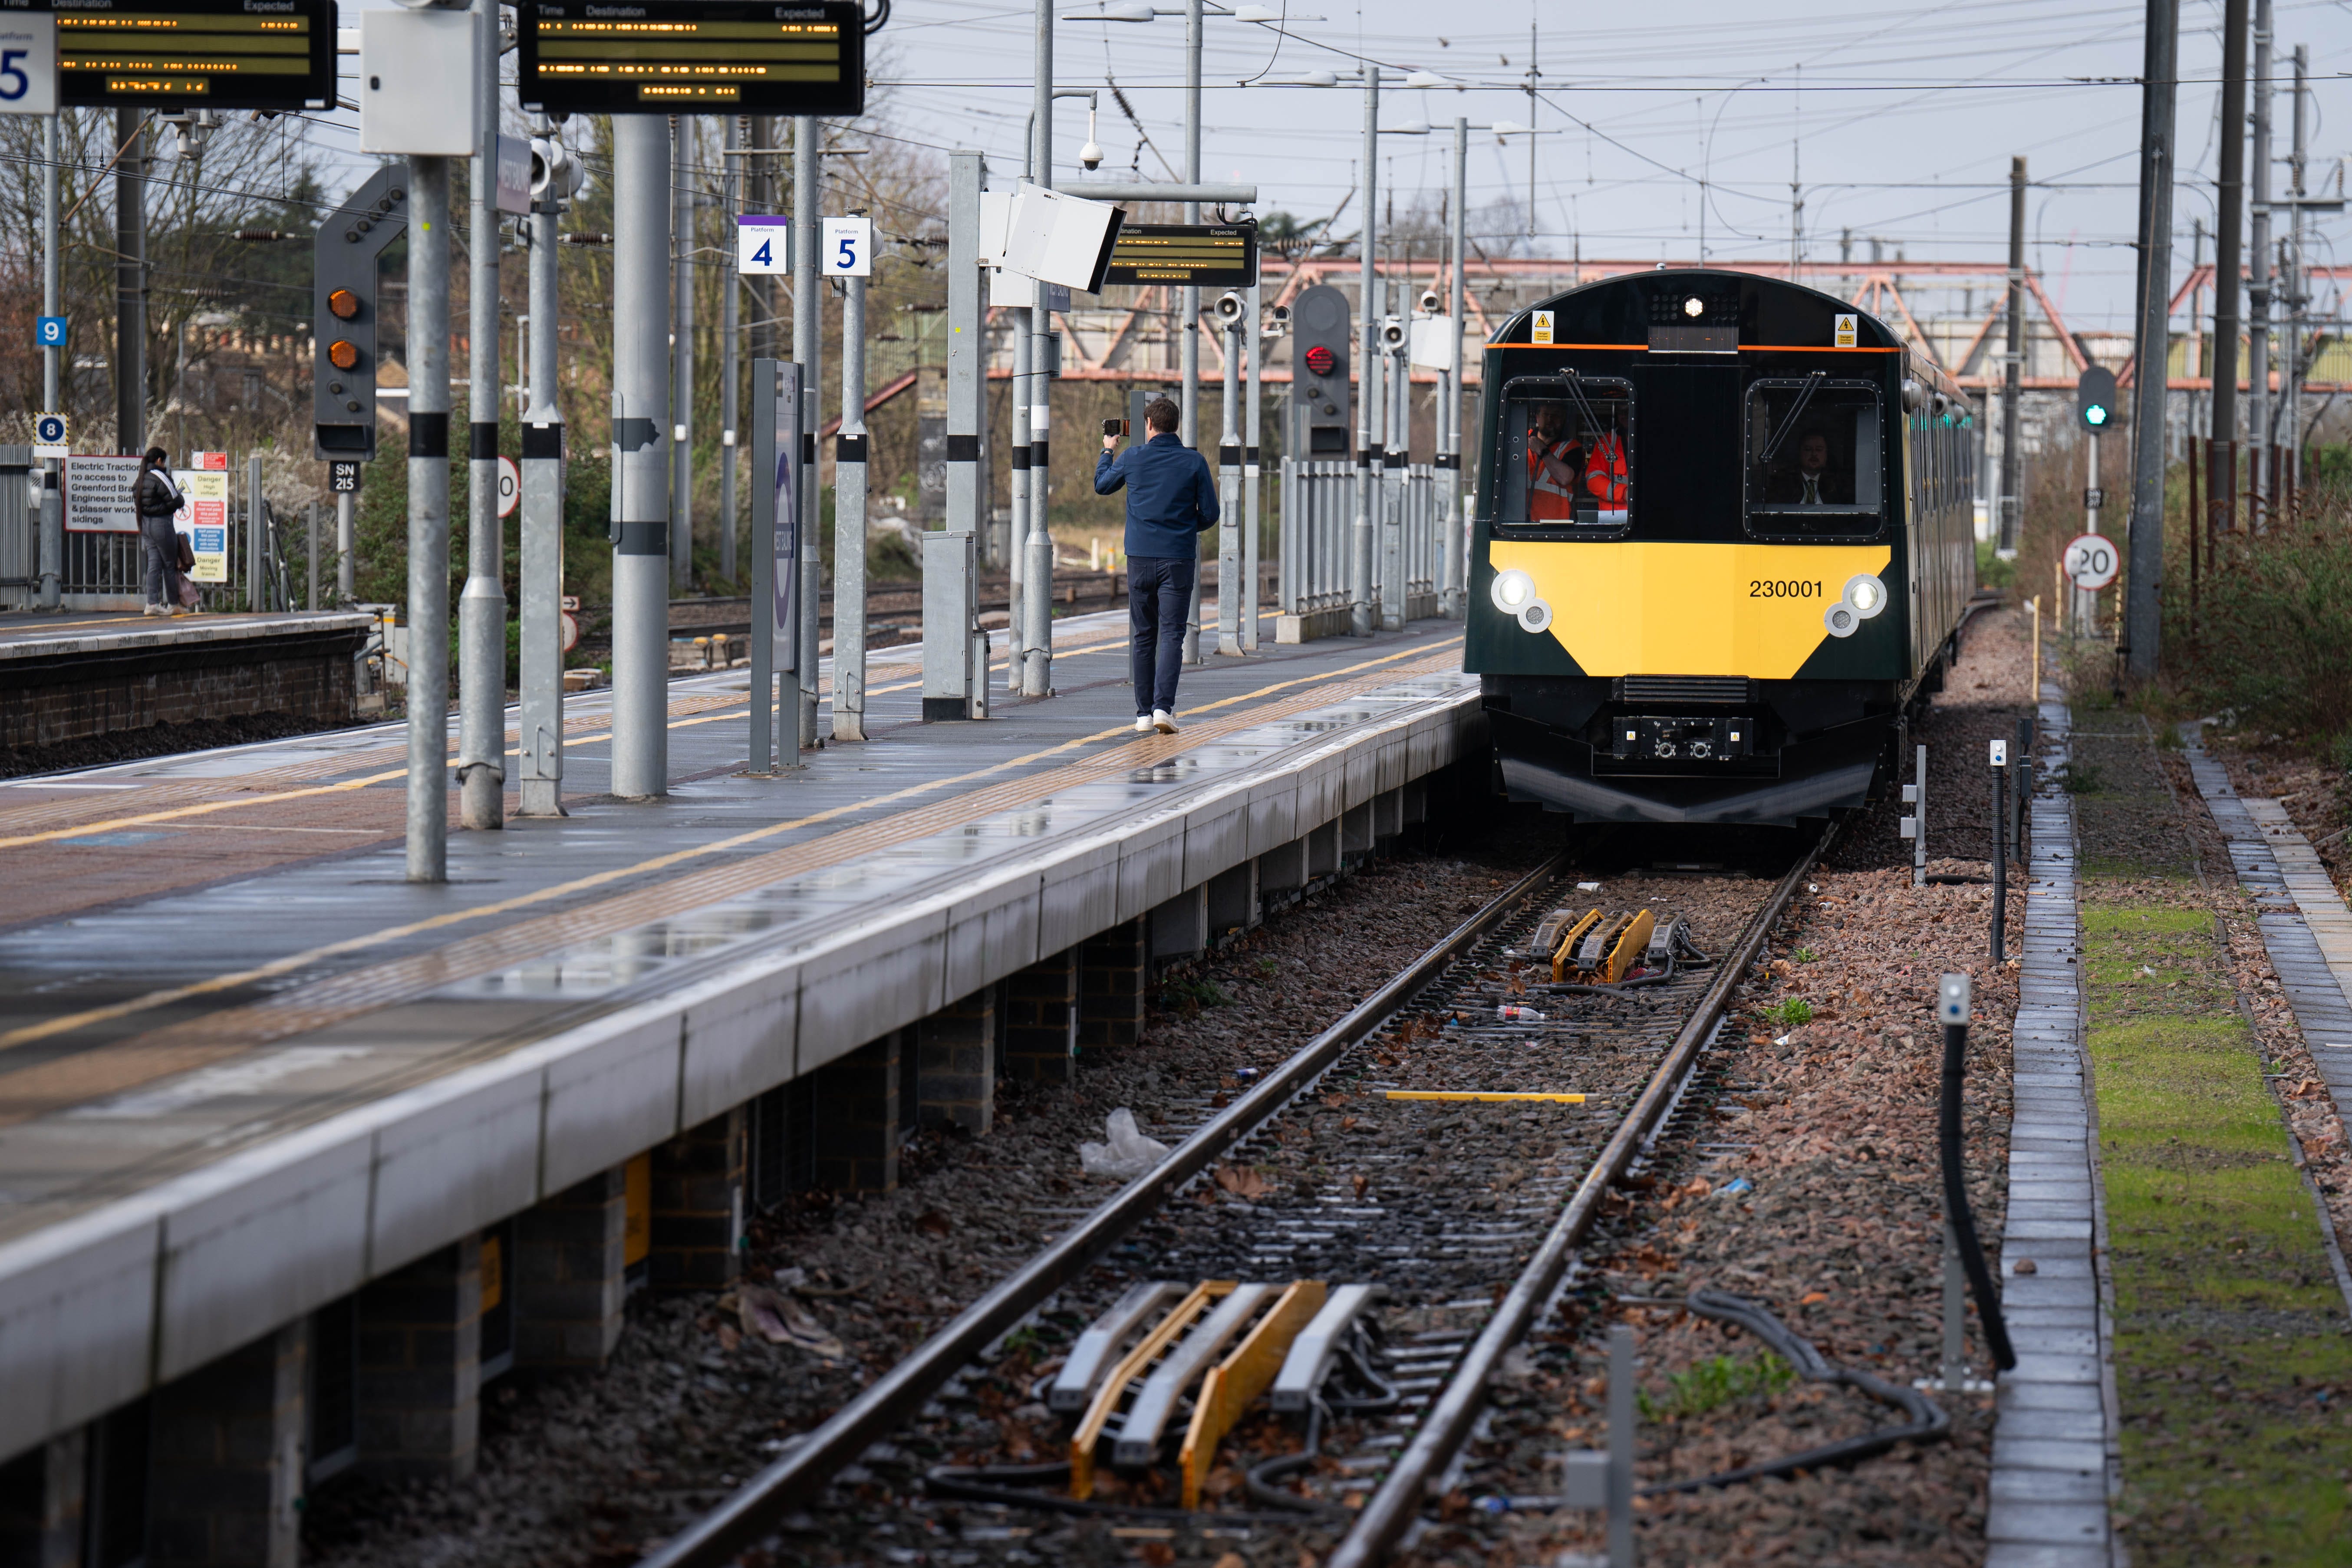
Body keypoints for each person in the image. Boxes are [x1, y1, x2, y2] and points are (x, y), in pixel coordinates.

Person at [1097, 395, 1219, 734]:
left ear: (1148, 425)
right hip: (1178, 559)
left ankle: (1142, 714)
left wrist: (1108, 449)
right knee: (1172, 634)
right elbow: (1210, 514)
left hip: (1139, 559)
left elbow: (1102, 485)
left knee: (1143, 635)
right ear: (1175, 425)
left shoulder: (1133, 457)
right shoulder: (1195, 462)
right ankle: (1164, 708)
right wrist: (1181, 528)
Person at [132, 448, 187, 617]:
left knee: (154, 564)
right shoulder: (160, 476)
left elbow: (142, 502)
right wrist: (165, 507)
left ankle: (152, 603)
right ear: (159, 461)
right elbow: (177, 500)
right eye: (164, 461)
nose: (164, 465)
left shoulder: (141, 478)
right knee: (169, 565)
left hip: (146, 524)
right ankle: (174, 604)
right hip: (162, 525)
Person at [1524, 401, 1582, 521]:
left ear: (1563, 419)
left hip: (1557, 525)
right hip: (1519, 524)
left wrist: (1542, 450)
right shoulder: (1521, 438)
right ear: (1537, 417)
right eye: (1546, 414)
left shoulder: (1572, 448)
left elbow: (1565, 478)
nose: (1551, 419)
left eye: (1556, 415)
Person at [1765, 430, 1853, 505]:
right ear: (1800, 453)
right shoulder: (1782, 481)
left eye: (1819, 449)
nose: (1814, 454)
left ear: (1826, 454)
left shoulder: (1839, 482)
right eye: (1808, 449)